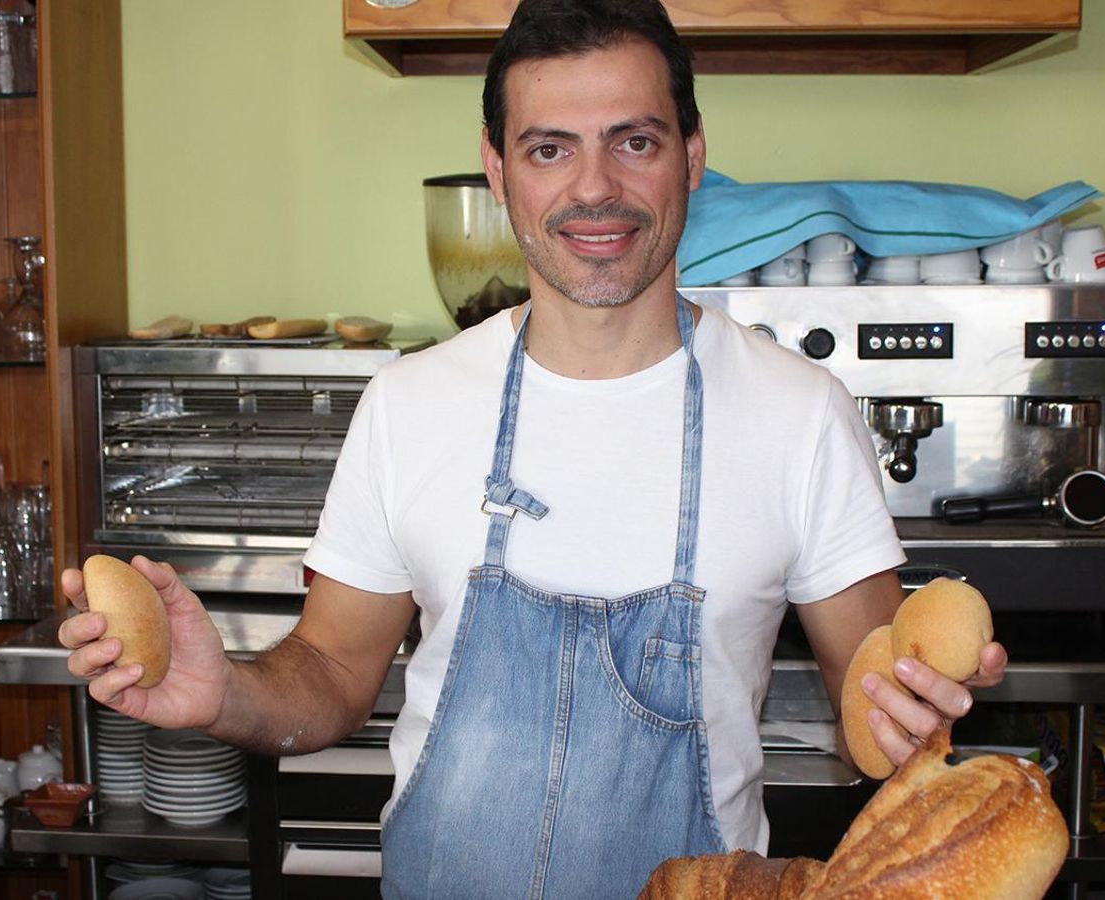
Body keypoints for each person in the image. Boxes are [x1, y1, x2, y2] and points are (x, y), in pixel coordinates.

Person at [61, 0, 1008, 896]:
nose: (595, 188)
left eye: (633, 141)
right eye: (550, 149)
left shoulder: (801, 415)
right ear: (499, 167)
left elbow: (872, 710)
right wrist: (222, 689)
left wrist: (919, 709)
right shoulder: (409, 405)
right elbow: (334, 676)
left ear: (692, 155)